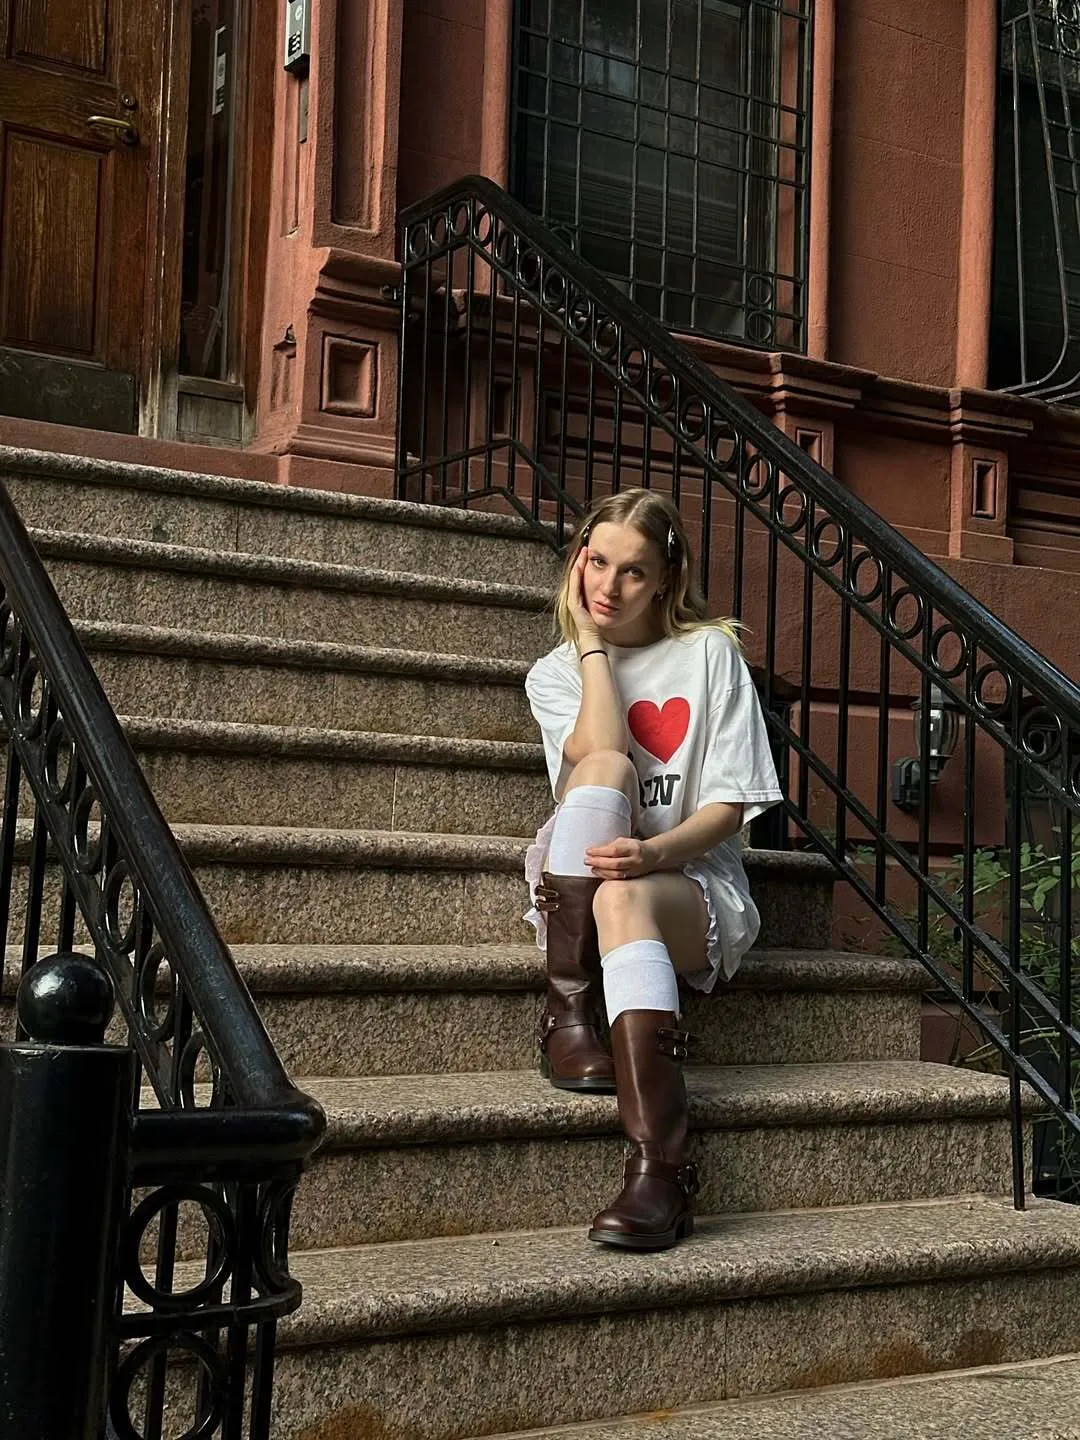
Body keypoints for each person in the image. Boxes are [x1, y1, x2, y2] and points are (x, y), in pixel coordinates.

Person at [523, 487, 782, 1251]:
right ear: (579, 562)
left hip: (684, 881)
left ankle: (661, 1170)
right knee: (606, 769)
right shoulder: (554, 673)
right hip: (580, 876)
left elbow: (728, 808)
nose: (609, 586)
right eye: (598, 562)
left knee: (624, 903)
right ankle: (571, 1012)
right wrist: (591, 645)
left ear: (666, 579)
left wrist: (653, 854)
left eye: (633, 571)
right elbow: (601, 751)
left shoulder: (709, 654)